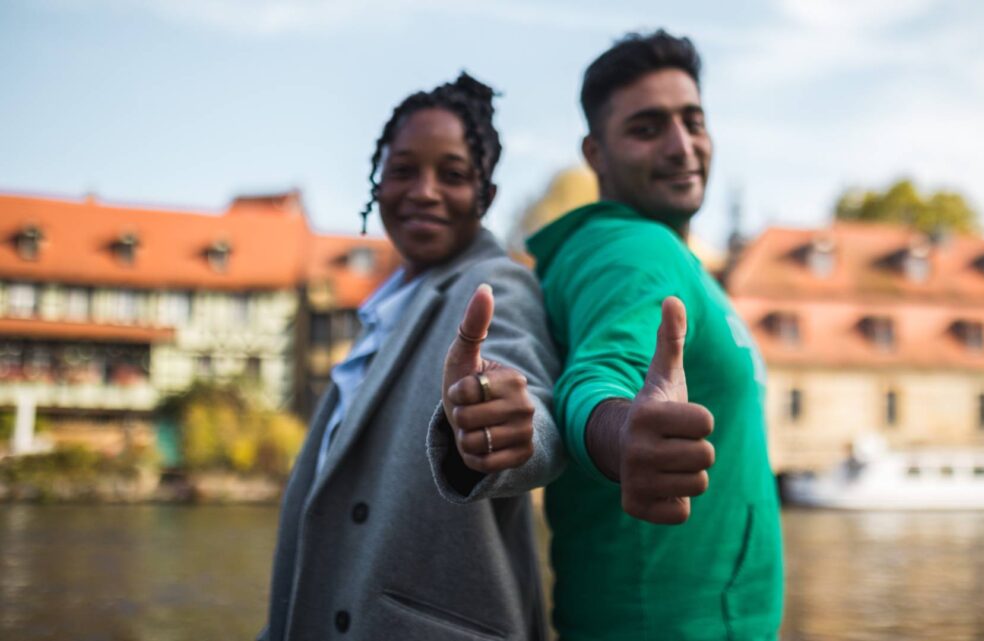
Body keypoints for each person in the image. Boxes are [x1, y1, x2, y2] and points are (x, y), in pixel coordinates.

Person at [258, 73, 564, 641]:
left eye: (452, 175)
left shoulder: (496, 284)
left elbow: (530, 402)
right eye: (403, 170)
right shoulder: (387, 308)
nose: (423, 191)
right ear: (379, 181)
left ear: (486, 196)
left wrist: (505, 430)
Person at [529, 30, 783, 639]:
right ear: (596, 154)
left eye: (693, 121)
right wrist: (622, 434)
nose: (682, 146)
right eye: (647, 129)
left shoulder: (668, 252)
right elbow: (597, 375)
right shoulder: (634, 250)